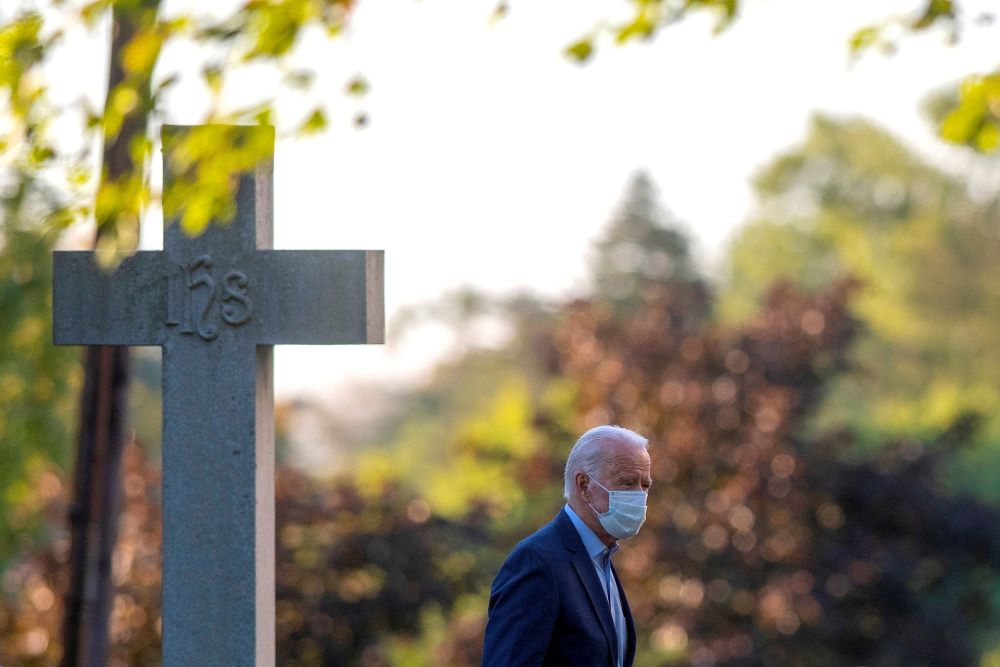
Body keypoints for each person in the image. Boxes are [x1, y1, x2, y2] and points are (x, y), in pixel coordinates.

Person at [481, 425, 652, 667]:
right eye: (626, 483)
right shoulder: (537, 561)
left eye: (644, 486)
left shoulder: (601, 562)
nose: (639, 496)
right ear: (583, 485)